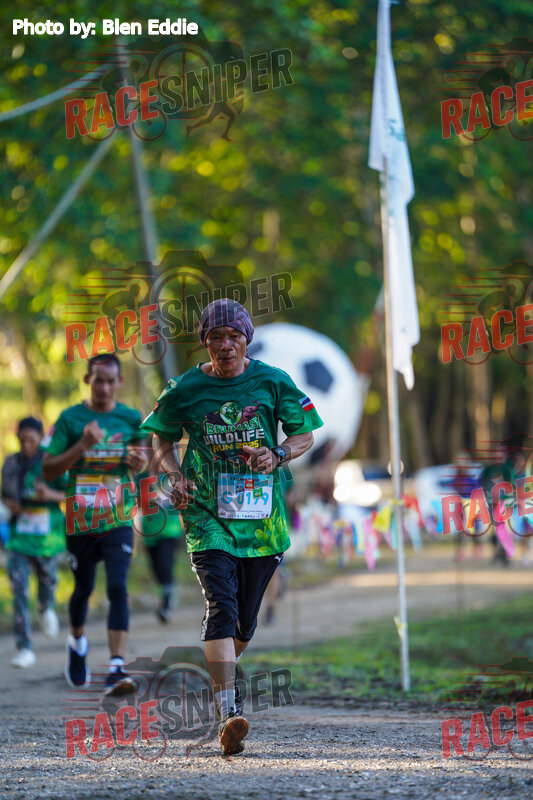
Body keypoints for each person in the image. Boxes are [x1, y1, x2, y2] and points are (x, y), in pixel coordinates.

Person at [139, 298, 324, 755]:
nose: (226, 345)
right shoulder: (186, 387)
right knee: (220, 606)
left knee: (243, 622)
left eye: (234, 336)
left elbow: (305, 434)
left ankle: (222, 681)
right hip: (206, 512)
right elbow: (161, 435)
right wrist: (174, 474)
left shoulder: (273, 381)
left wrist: (278, 453)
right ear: (205, 342)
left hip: (261, 522)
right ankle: (228, 712)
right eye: (216, 337)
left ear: (247, 340)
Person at [42, 354, 146, 694]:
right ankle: (77, 642)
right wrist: (82, 444)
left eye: (110, 381)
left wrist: (139, 460)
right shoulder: (70, 419)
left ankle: (116, 666)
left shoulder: (131, 418)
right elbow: (48, 469)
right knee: (83, 589)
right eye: (98, 380)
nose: (104, 387)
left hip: (117, 517)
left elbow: (142, 460)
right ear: (88, 380)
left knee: (117, 587)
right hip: (80, 520)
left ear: (119, 382)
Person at [1, 417, 66, 668]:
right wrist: (10, 506)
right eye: (22, 440)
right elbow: (5, 496)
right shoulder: (11, 464)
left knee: (47, 585)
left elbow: (72, 494)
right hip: (19, 540)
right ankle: (24, 648)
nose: (27, 445)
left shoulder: (52, 462)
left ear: (40, 438)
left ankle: (45, 606)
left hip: (47, 541)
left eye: (31, 440)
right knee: (19, 591)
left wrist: (49, 495)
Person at [136, 447, 184, 623]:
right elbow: (134, 501)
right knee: (156, 569)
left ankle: (167, 602)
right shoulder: (141, 477)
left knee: (164, 564)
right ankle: (168, 592)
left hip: (169, 529)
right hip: (149, 531)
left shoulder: (172, 476)